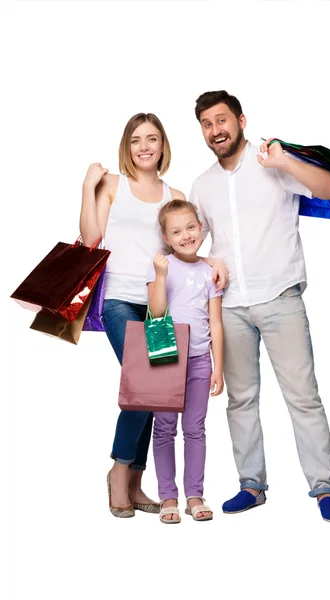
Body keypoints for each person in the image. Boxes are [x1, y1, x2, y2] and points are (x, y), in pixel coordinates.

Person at [189, 90, 330, 523]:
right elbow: (191, 241)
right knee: (240, 400)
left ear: (241, 120)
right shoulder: (202, 185)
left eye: (221, 120)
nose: (215, 130)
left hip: (280, 297)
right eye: (206, 124)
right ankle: (251, 486)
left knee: (303, 397)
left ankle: (324, 489)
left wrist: (286, 162)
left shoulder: (273, 164)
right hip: (231, 308)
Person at [79, 113, 227, 518]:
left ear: (163, 146)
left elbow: (187, 242)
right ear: (127, 147)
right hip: (120, 300)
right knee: (146, 387)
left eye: (153, 139)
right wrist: (87, 188)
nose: (144, 146)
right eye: (136, 140)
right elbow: (92, 239)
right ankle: (119, 471)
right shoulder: (112, 185)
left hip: (162, 305)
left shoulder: (174, 192)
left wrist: (212, 259)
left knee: (154, 392)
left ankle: (136, 478)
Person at [147, 200, 224, 523]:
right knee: (164, 428)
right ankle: (168, 496)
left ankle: (194, 494)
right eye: (177, 231)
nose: (186, 236)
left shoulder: (211, 272)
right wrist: (162, 275)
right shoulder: (160, 267)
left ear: (201, 228)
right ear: (166, 237)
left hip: (199, 360)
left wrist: (217, 366)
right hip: (165, 356)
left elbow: (215, 322)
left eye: (191, 227)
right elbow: (157, 312)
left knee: (195, 428)